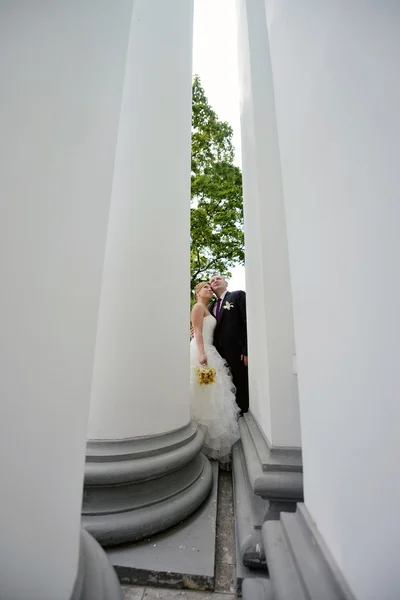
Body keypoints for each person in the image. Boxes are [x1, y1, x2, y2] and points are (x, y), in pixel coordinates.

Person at [190, 282, 240, 469]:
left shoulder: (208, 308)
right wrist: (202, 353)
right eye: (205, 288)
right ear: (197, 292)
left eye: (210, 288)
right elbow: (198, 331)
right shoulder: (197, 307)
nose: (209, 290)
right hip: (201, 352)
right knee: (202, 393)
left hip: (209, 350)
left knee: (214, 395)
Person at [209, 275, 249, 415]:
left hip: (238, 352)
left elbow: (247, 322)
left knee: (242, 382)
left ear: (226, 282)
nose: (215, 281)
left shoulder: (238, 295)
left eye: (218, 278)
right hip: (219, 355)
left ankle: (244, 412)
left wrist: (246, 348)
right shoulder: (210, 306)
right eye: (212, 281)